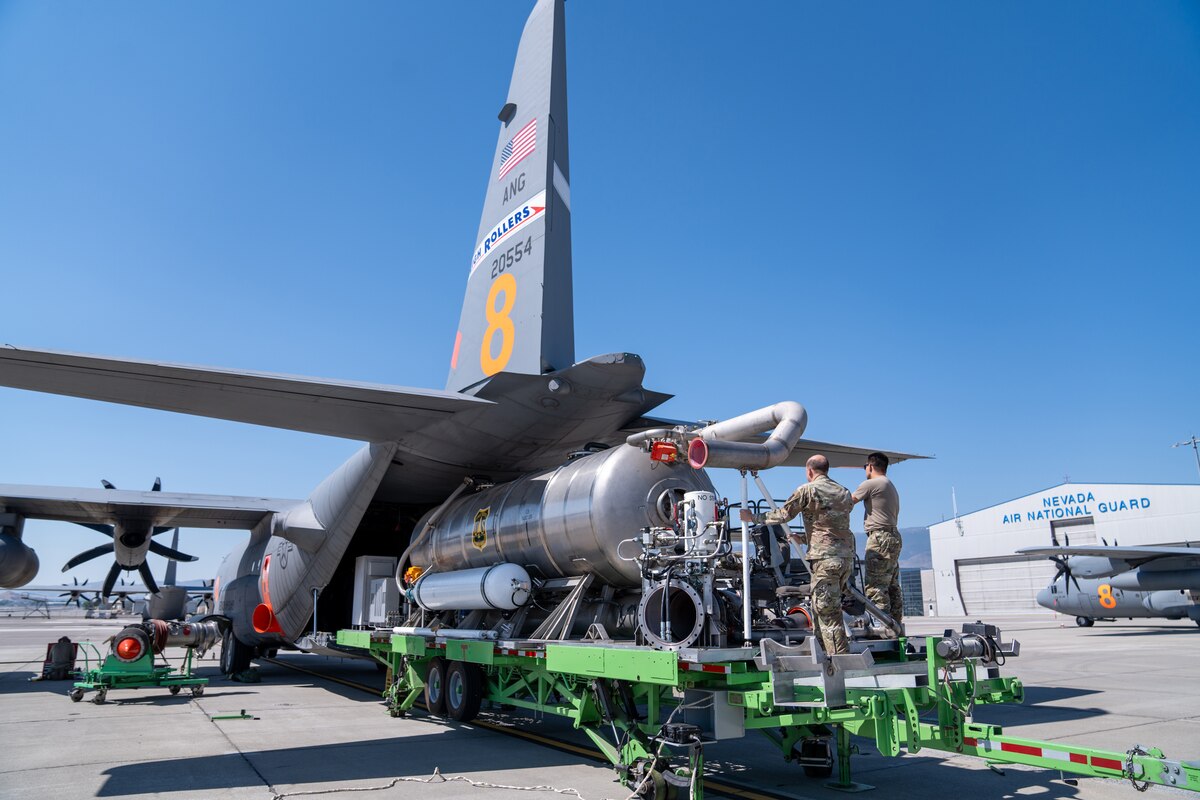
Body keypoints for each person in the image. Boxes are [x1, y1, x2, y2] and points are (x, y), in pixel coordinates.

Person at [740, 454, 854, 655]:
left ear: (810, 471)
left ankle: (840, 661)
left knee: (828, 614)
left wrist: (753, 517)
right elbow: (832, 525)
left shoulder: (807, 490)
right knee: (825, 610)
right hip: (845, 558)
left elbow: (783, 514)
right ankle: (826, 657)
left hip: (825, 560)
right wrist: (804, 537)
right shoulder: (843, 492)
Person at [851, 451, 903, 631]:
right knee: (891, 585)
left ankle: (882, 627)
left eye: (866, 466)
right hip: (893, 536)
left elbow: (847, 502)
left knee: (875, 586)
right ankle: (897, 626)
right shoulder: (889, 484)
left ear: (871, 466)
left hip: (879, 538)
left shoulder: (871, 483)